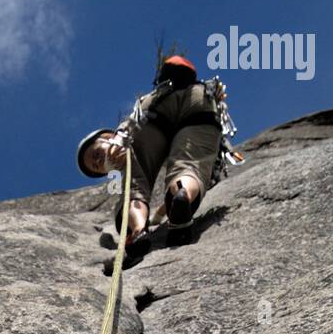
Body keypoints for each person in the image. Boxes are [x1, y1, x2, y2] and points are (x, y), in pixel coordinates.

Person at [77, 55, 241, 257]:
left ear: (106, 136)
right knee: (190, 164)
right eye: (96, 167)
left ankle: (137, 230)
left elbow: (129, 137)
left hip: (156, 112)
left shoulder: (116, 150)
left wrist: (118, 144)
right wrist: (163, 213)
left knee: (133, 189)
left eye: (95, 154)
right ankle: (183, 195)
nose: (98, 161)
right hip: (200, 101)